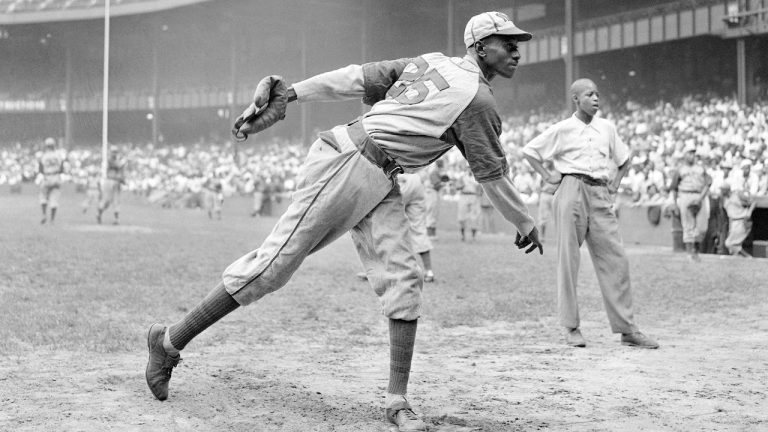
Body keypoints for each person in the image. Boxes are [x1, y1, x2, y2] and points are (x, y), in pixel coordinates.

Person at [145, 11, 542, 431]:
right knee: (271, 268)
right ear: (480, 46)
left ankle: (397, 402)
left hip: (381, 175)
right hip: (349, 162)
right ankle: (168, 341)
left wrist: (292, 93)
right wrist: (524, 222)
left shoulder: (430, 62)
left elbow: (356, 77)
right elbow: (492, 177)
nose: (517, 49)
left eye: (517, 42)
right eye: (506, 41)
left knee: (405, 278)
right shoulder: (476, 100)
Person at [522, 78, 659, 349]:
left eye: (597, 93)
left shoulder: (607, 127)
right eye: (589, 94)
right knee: (568, 260)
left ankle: (627, 329)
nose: (595, 98)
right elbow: (530, 151)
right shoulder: (563, 128)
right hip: (571, 188)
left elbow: (624, 159)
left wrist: (617, 181)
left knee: (616, 259)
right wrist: (548, 175)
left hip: (599, 192)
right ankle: (571, 327)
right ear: (576, 99)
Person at [358, 171, 436, 283]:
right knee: (418, 228)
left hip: (397, 176)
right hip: (415, 179)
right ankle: (429, 271)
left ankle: (376, 270)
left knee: (379, 224)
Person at [669, 143, 711, 261]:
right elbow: (674, 187)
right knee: (688, 226)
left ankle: (696, 251)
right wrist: (675, 202)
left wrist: (701, 198)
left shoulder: (701, 168)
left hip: (699, 195)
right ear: (685, 155)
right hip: (685, 195)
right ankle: (690, 254)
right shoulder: (680, 169)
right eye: (690, 153)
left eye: (693, 153)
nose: (692, 155)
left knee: (702, 227)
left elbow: (708, 183)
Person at [37, 137, 66, 225]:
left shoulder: (43, 156)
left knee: (43, 197)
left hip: (47, 177)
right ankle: (52, 220)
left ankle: (44, 214)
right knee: (54, 199)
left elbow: (41, 170)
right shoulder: (58, 155)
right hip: (56, 177)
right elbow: (61, 169)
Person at [97, 145, 126, 225]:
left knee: (116, 201)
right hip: (109, 181)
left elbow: (121, 172)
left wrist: (123, 180)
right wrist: (123, 162)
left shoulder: (117, 160)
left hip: (116, 182)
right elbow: (117, 166)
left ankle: (116, 219)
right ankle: (99, 214)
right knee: (106, 201)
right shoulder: (110, 160)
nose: (115, 153)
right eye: (113, 152)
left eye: (116, 152)